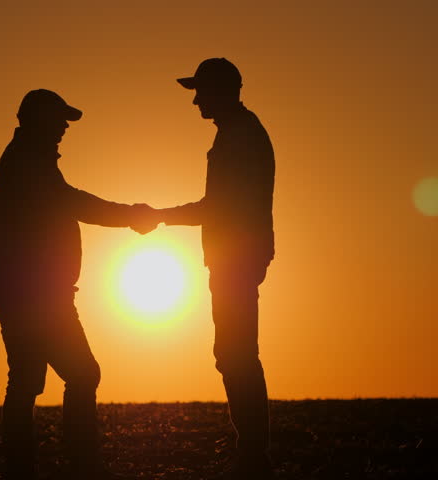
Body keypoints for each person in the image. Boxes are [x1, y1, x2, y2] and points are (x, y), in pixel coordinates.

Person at [0, 89, 156, 480]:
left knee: (28, 379)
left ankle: (32, 467)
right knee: (77, 374)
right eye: (58, 119)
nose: (64, 127)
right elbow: (74, 203)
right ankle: (79, 464)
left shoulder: (30, 160)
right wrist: (132, 215)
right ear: (37, 119)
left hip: (27, 289)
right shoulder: (28, 164)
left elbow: (68, 202)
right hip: (35, 293)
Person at [158, 58, 276, 479]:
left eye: (200, 91)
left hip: (236, 258)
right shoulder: (239, 134)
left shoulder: (239, 137)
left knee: (237, 353)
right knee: (234, 353)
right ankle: (251, 454)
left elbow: (220, 206)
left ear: (222, 91)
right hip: (236, 256)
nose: (195, 101)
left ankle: (252, 457)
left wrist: (162, 215)